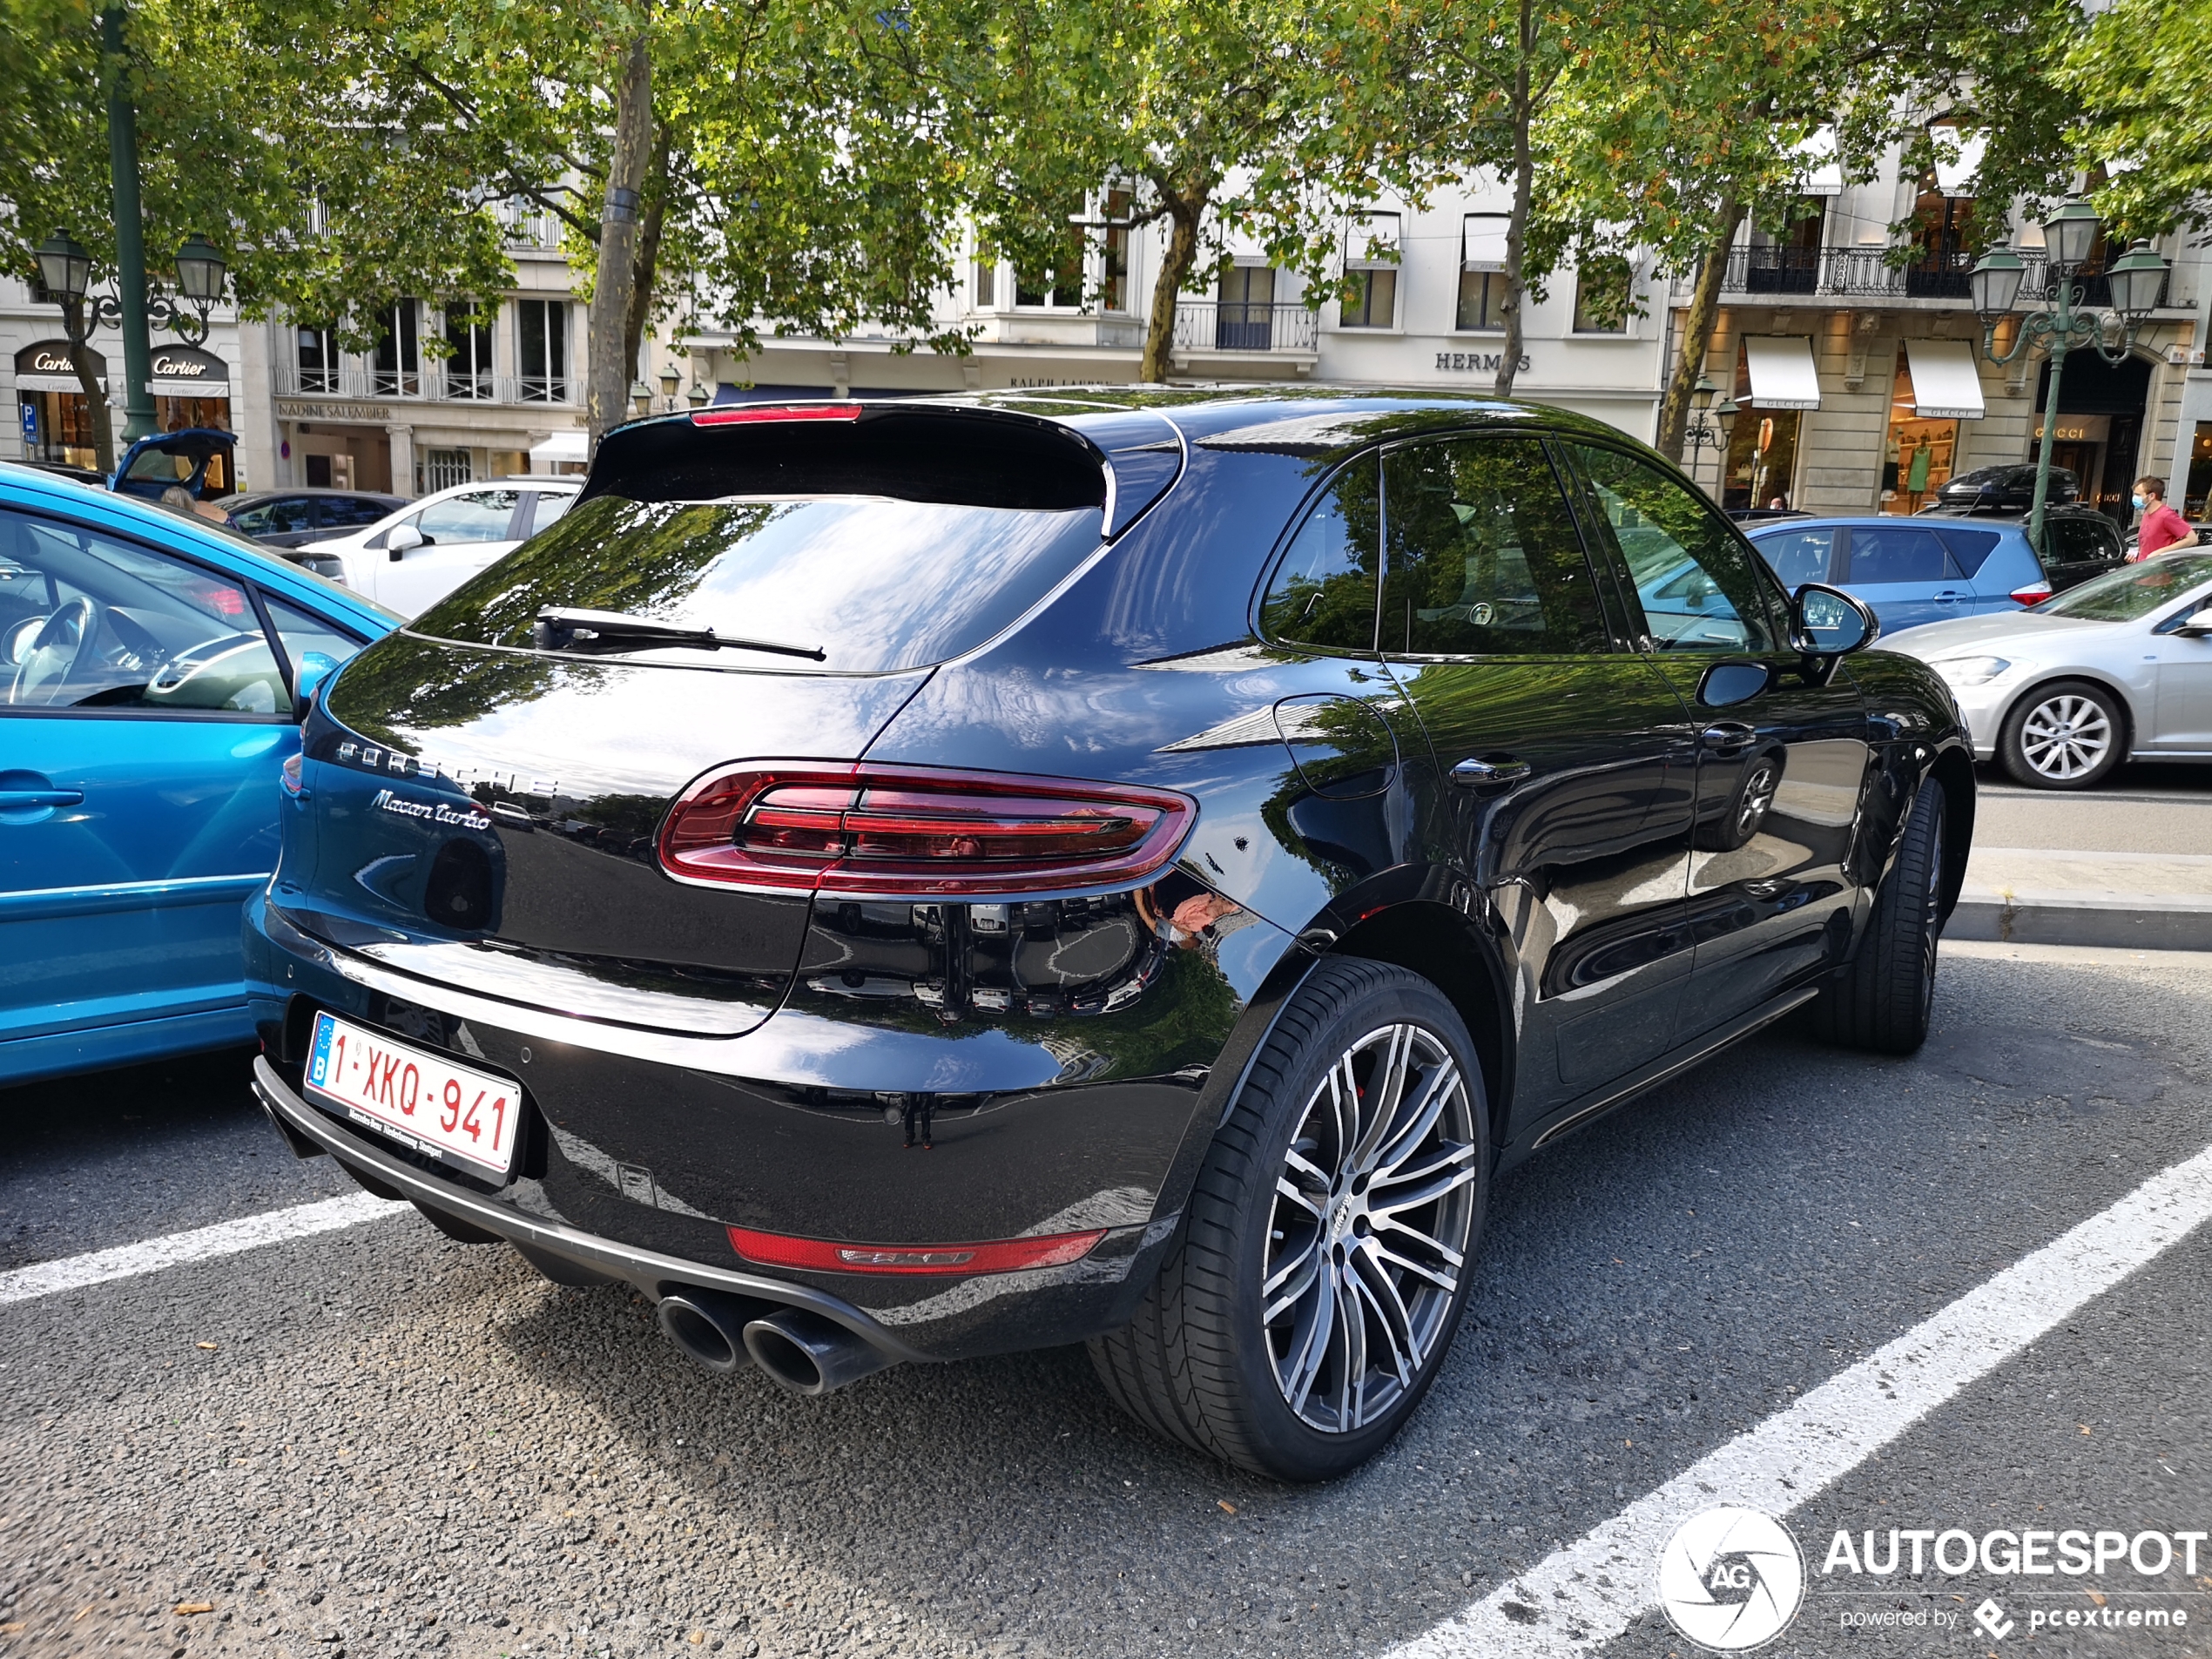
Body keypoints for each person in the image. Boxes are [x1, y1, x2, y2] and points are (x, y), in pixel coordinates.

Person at [2129, 475, 2192, 560]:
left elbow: (2192, 539)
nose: (2134, 498)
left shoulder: (2166, 515)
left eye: (2138, 495)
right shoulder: (2146, 514)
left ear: (2151, 496)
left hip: (2159, 570)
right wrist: (2136, 555)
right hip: (2145, 568)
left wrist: (2159, 553)